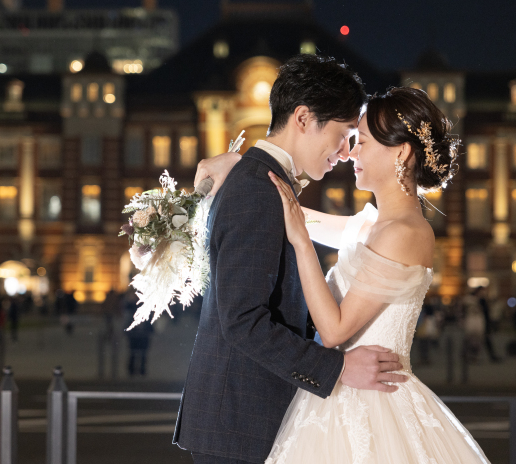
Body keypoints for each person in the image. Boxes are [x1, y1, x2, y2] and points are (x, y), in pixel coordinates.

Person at [199, 85, 490, 462]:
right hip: (338, 391)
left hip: (373, 402)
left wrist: (304, 246)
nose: (350, 152)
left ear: (401, 152)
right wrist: (240, 168)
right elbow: (288, 210)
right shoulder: (372, 226)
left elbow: (335, 330)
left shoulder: (405, 233)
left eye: (363, 142)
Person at [174, 55, 409, 464]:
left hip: (244, 419)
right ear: (303, 118)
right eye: (343, 134)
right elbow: (243, 320)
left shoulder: (262, 182)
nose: (344, 151)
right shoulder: (257, 189)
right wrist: (337, 368)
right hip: (240, 424)